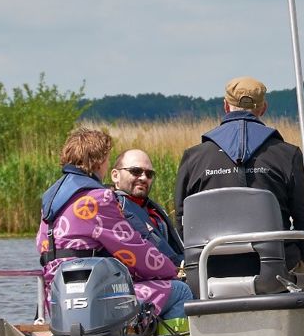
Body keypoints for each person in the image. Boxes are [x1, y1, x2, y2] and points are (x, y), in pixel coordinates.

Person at [37, 128, 193, 324]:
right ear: (100, 161)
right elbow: (132, 249)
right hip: (92, 297)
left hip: (56, 298)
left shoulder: (52, 199)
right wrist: (171, 272)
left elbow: (42, 247)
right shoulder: (97, 198)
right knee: (180, 291)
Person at [174, 76, 304, 285]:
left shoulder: (193, 157)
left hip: (208, 273)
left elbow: (182, 220)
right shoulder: (288, 154)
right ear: (263, 108)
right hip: (274, 272)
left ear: (226, 106)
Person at [111, 148, 184, 263]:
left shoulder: (153, 209)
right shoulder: (113, 209)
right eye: (135, 171)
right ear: (115, 176)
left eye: (149, 174)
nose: (144, 178)